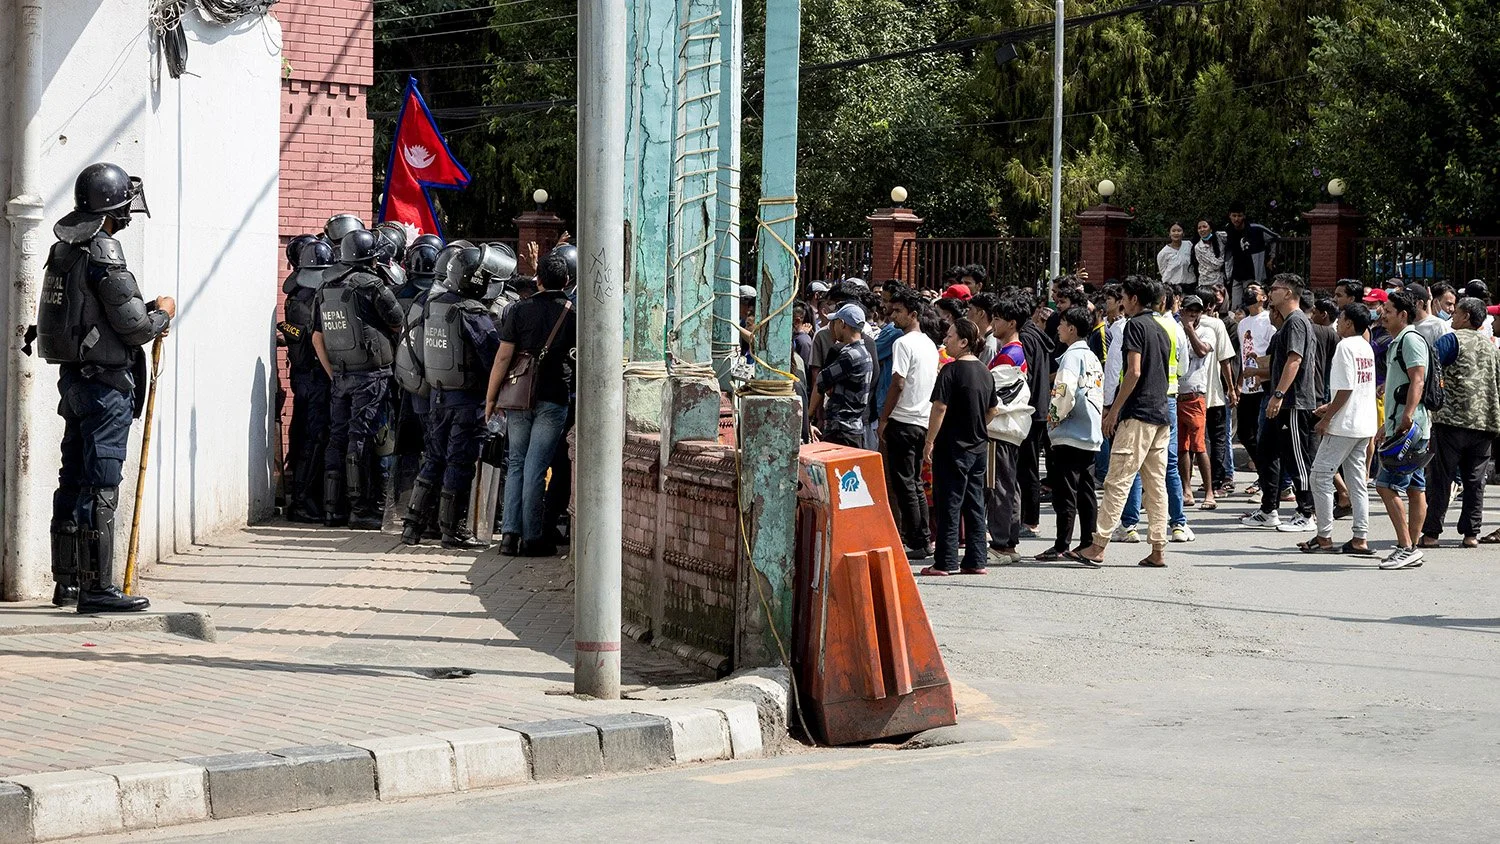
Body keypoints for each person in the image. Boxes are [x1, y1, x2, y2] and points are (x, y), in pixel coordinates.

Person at [35, 162, 172, 613]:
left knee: (71, 478)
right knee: (102, 484)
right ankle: (98, 590)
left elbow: (89, 312)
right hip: (106, 390)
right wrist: (163, 313)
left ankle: (68, 582)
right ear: (113, 208)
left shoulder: (63, 252)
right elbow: (133, 329)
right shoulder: (103, 251)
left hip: (73, 382)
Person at [399, 248, 499, 550]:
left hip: (437, 397)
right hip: (467, 401)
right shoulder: (472, 312)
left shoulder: (435, 304)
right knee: (460, 463)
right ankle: (452, 531)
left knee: (434, 457)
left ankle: (412, 526)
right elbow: (492, 355)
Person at [1077, 276, 1173, 568]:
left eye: (1124, 297)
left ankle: (1098, 545)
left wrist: (1114, 410)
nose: (1121, 302)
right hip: (1160, 414)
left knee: (1118, 479)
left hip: (1138, 414)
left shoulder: (1134, 326)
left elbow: (1133, 371)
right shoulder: (1162, 329)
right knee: (1155, 485)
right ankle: (1158, 548)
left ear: (1133, 299)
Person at [486, 251, 577, 557]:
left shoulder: (518, 311)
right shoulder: (573, 314)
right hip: (553, 398)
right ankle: (533, 538)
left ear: (538, 280)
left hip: (517, 397)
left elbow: (503, 357)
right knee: (536, 468)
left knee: (516, 464)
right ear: (567, 281)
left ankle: (509, 536)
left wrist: (491, 397)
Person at [314, 228, 405, 531]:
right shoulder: (373, 286)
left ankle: (331, 509)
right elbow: (397, 324)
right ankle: (361, 509)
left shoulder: (326, 287)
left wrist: (334, 373)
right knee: (362, 437)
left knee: (338, 436)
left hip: (340, 374)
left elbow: (317, 338)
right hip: (371, 375)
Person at [919, 319, 998, 575]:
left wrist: (929, 440)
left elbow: (939, 407)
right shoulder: (985, 372)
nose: (946, 340)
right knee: (974, 503)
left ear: (964, 342)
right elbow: (993, 409)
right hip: (977, 446)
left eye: (951, 336)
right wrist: (976, 424)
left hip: (952, 446)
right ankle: (976, 559)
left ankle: (945, 561)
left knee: (949, 503)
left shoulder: (950, 371)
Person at [1419, 297, 1500, 549]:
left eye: (1458, 313)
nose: (1452, 316)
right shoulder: (1492, 347)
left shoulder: (1451, 340)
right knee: (1475, 480)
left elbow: (1431, 371)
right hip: (1484, 422)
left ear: (1466, 317)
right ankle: (1471, 534)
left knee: (1441, 478)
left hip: (1451, 421)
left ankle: (1431, 533)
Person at [1240, 274, 1318, 531]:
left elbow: (1294, 360)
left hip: (1293, 402)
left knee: (1297, 459)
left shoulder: (1296, 322)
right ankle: (1268, 509)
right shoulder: (1287, 324)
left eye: (1274, 289)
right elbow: (1278, 362)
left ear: (1288, 293)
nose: (1269, 293)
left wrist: (1279, 394)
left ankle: (1306, 513)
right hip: (1281, 400)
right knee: (1267, 452)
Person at [1299, 304, 1378, 555]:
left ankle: (1324, 537)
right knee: (1356, 481)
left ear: (1350, 323)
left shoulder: (1345, 347)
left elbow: (1346, 389)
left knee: (1319, 476)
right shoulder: (1365, 346)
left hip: (1345, 424)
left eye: (1341, 318)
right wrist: (1329, 406)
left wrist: (1327, 418)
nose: (1337, 322)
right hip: (1364, 423)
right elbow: (1354, 388)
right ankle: (1360, 537)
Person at [1038, 307, 1104, 562]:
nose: (1058, 328)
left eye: (1062, 324)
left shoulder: (1070, 357)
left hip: (1069, 431)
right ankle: (1088, 540)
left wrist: (1052, 420)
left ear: (1072, 329)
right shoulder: (1092, 357)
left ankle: (1061, 543)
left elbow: (1063, 391)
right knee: (1086, 490)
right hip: (1089, 430)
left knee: (1065, 491)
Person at [878, 288, 939, 560]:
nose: (893, 316)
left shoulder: (903, 343)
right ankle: (922, 538)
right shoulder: (929, 344)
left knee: (906, 484)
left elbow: (898, 382)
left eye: (899, 311)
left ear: (913, 314)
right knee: (914, 483)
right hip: (922, 420)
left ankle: (917, 539)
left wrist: (883, 417)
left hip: (903, 420)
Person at [1374, 290, 1432, 569]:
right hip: (1405, 424)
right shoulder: (1401, 340)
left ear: (1403, 315)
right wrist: (1389, 422)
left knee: (1385, 485)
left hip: (1411, 428)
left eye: (1387, 310)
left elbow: (1417, 380)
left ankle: (1406, 546)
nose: (1382, 314)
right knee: (1415, 487)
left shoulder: (1410, 340)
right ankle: (1412, 547)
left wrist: (1406, 416)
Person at [279, 236, 334, 523]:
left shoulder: (294, 296)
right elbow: (316, 341)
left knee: (304, 436)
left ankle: (302, 498)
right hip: (315, 378)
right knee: (314, 439)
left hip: (302, 377)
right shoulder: (310, 299)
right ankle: (302, 501)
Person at [985, 293, 1031, 563]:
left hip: (999, 429)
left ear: (1012, 323)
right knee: (1008, 485)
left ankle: (1001, 544)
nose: (993, 323)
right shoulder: (1014, 352)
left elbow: (994, 395)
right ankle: (1008, 542)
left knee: (998, 486)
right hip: (1010, 430)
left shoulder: (1008, 356)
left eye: (998, 319)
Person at [1017, 289, 1056, 539]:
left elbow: (1025, 376)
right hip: (1040, 407)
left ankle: (1030, 520)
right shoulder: (1038, 336)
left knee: (1027, 467)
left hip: (1031, 409)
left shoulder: (1025, 338)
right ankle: (1028, 517)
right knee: (1028, 466)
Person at [1196, 286, 1238, 500]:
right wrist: (1231, 388)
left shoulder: (1185, 323)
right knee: (1218, 437)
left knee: (1195, 439)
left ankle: (1198, 482)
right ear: (1212, 305)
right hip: (1213, 392)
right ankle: (1217, 480)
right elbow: (1225, 360)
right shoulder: (1216, 324)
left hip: (1192, 391)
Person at [811, 303, 872, 448]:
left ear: (842, 324)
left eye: (835, 323)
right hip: (854, 428)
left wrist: (808, 415)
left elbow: (821, 381)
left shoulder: (850, 355)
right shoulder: (865, 352)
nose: (832, 327)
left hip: (841, 430)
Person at [1236, 282, 1276, 498]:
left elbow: (1271, 353)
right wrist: (1239, 383)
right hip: (1248, 386)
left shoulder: (1269, 321)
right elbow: (1243, 355)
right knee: (1244, 432)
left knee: (1263, 434)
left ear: (1264, 297)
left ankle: (1267, 480)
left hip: (1263, 384)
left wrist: (1262, 374)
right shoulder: (1243, 323)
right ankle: (1264, 473)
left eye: (1256, 290)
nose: (1251, 293)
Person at [1177, 296, 1216, 509]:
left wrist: (1189, 328)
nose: (1193, 314)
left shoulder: (1206, 331)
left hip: (1195, 395)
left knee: (1199, 446)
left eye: (1197, 311)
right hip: (1177, 394)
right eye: (1189, 310)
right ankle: (1186, 489)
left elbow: (1202, 350)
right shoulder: (1175, 329)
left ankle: (1209, 492)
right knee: (1182, 447)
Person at [1224, 202, 1279, 310]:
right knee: (1235, 307)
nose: (1236, 219)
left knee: (1251, 306)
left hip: (1252, 275)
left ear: (1244, 216)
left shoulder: (1256, 229)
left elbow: (1275, 238)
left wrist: (1271, 258)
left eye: (1239, 216)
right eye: (1234, 216)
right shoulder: (1228, 231)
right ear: (1229, 216)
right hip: (1236, 275)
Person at [1190, 219, 1227, 289]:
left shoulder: (1219, 237)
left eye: (1204, 226)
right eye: (1199, 228)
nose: (1202, 229)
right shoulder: (1198, 247)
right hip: (1206, 282)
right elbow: (1216, 265)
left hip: (1220, 282)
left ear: (1210, 228)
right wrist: (1225, 260)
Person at [1157, 222, 1193, 292]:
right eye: (1173, 231)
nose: (1176, 233)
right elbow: (1162, 270)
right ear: (1169, 234)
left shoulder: (1189, 245)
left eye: (1179, 231)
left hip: (1189, 285)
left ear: (1183, 233)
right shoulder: (1164, 252)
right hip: (1172, 287)